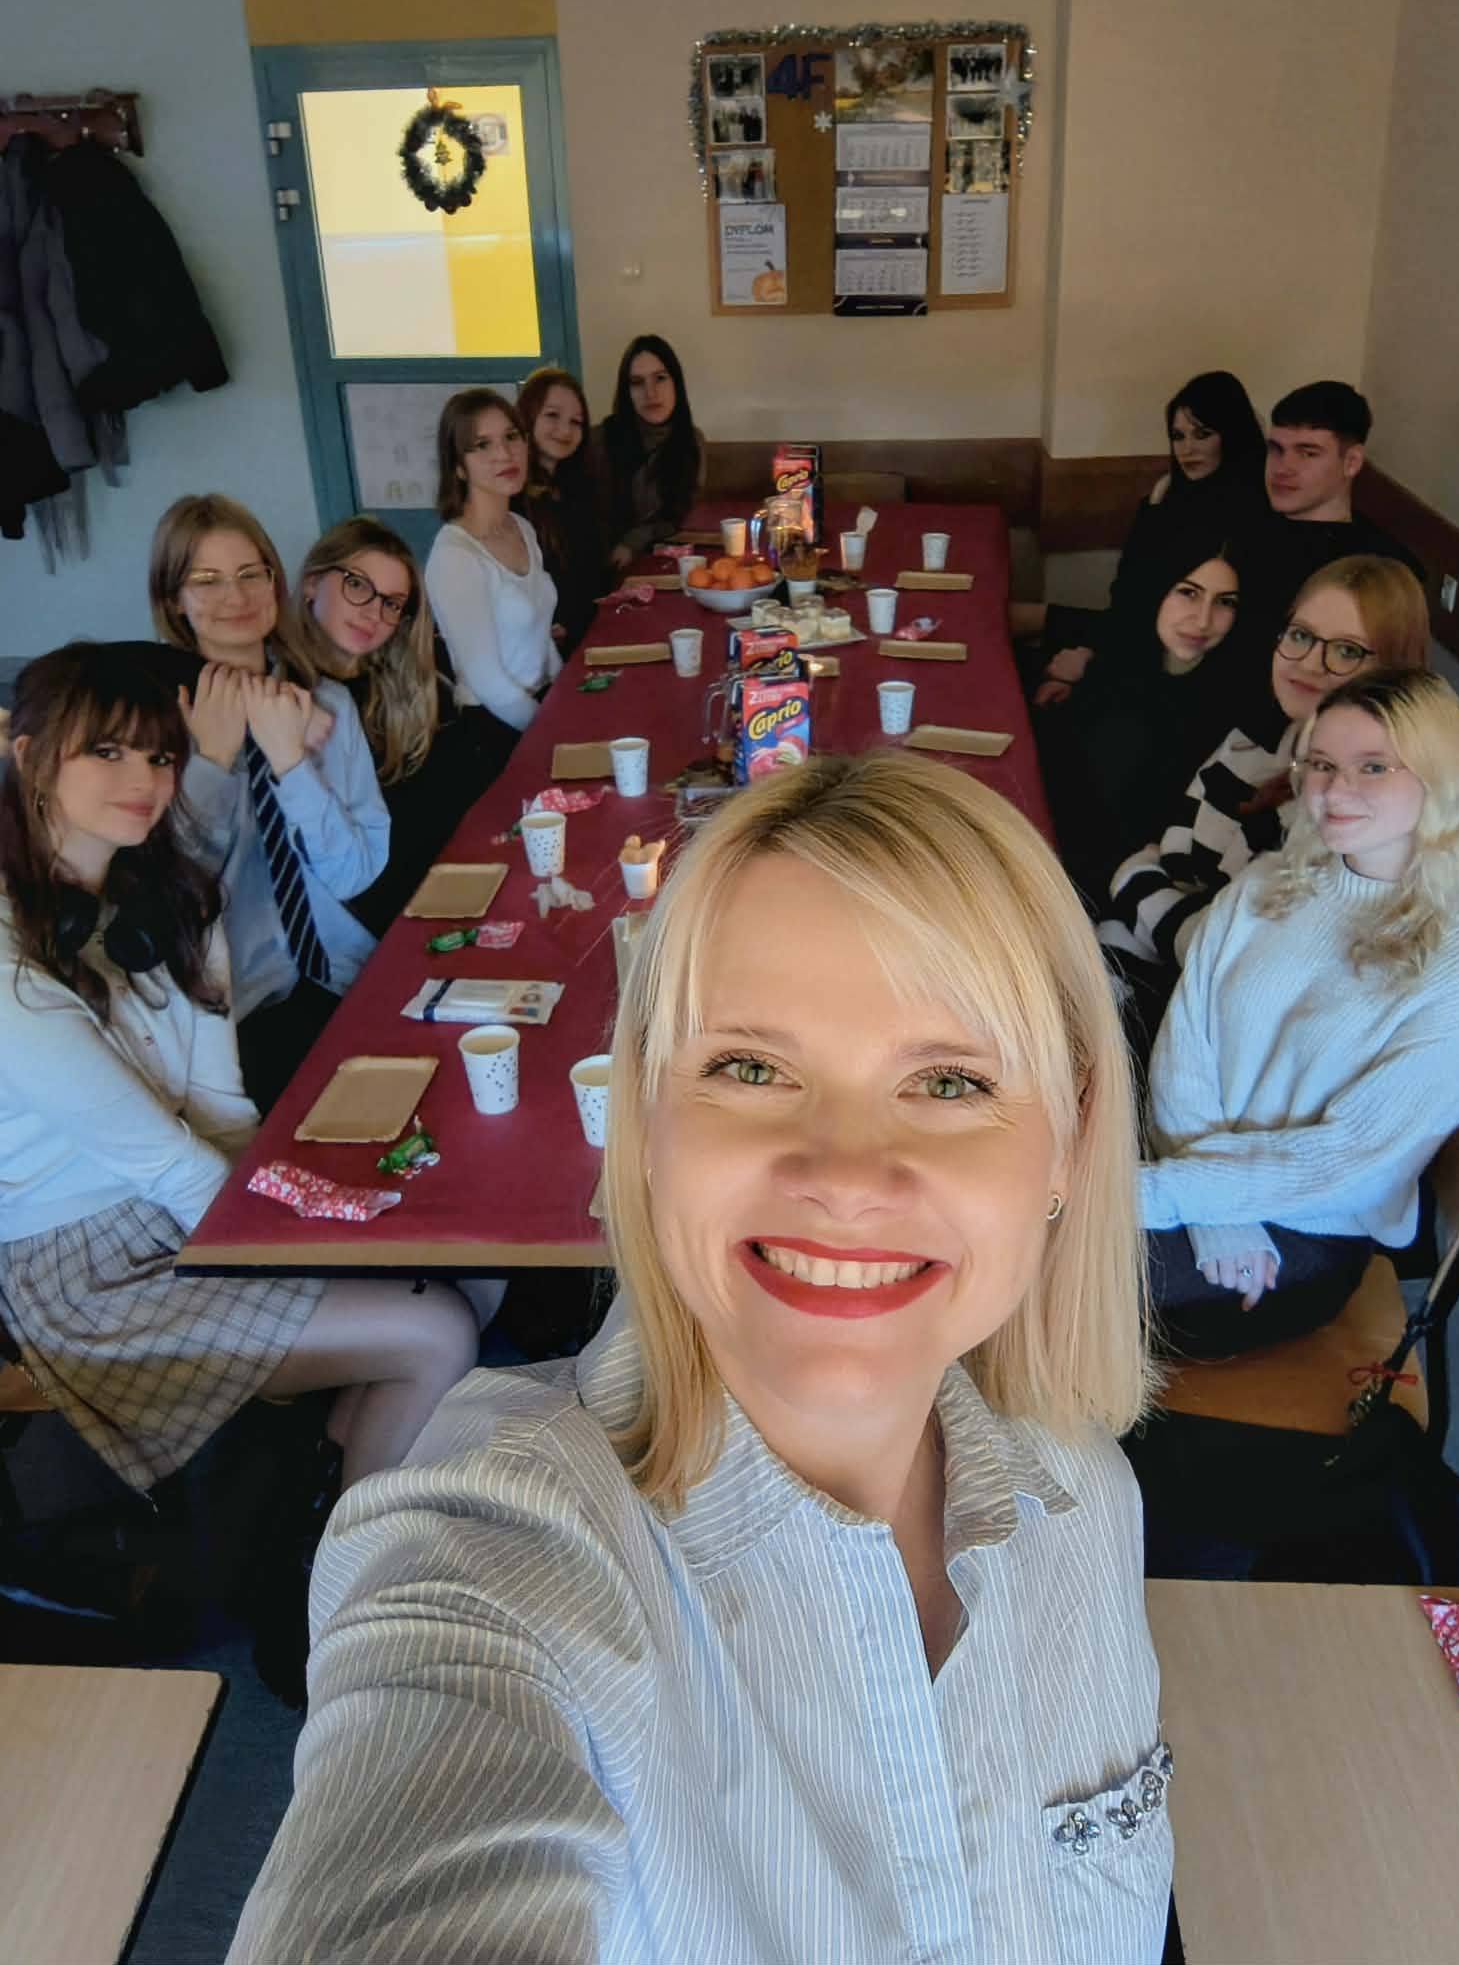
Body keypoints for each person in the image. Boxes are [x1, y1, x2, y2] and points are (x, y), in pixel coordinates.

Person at [229, 751, 1173, 1965]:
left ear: (1070, 1142)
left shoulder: (1087, 1495)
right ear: (645, 1115)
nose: (844, 1175)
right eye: (750, 1067)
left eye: (949, 1081)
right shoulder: (500, 1553)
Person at [0, 643, 479, 1494]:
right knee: (438, 1329)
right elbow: (167, 1162)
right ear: (29, 755)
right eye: (106, 750)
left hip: (196, 1204)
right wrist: (309, 1248)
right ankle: (353, 1562)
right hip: (89, 1272)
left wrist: (311, 1211)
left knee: (461, 1254)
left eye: (160, 755)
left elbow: (221, 1107)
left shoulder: (174, 902)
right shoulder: (10, 965)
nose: (144, 778)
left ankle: (337, 1469)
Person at [1140, 668, 1459, 1357]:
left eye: (1373, 767)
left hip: (1305, 1228)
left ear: (1439, 778)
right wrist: (1203, 1204)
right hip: (1180, 1170)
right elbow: (1184, 1041)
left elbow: (1346, 1164)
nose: (1335, 791)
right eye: (1320, 764)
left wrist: (1164, 1197)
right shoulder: (1267, 883)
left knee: (1039, 1267)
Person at [148, 494, 389, 1114]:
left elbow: (355, 872)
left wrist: (291, 766)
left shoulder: (327, 705)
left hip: (341, 974)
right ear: (173, 600)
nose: (235, 596)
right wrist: (211, 763)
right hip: (231, 1013)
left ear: (275, 582)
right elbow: (174, 894)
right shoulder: (153, 729)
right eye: (206, 580)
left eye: (250, 574)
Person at [1101, 554, 1431, 980]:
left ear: (1392, 670)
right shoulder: (1251, 744)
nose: (1309, 663)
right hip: (1151, 958)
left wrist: (1133, 878)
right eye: (1301, 635)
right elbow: (1177, 847)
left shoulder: (1360, 813)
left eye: (1346, 650)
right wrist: (1161, 895)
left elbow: (1219, 955)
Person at [286, 516, 479, 936]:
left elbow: (454, 799)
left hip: (442, 888)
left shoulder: (407, 683)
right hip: (360, 918)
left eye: (391, 603)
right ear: (312, 583)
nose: (373, 613)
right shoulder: (287, 696)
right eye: (357, 585)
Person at [1044, 526, 1247, 908]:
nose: (1203, 620)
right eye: (1188, 593)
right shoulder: (1124, 660)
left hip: (1116, 890)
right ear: (1158, 589)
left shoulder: (1228, 708)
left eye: (1225, 602)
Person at [1037, 370, 1265, 707]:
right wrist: (1155, 510)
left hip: (1178, 671)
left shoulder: (1249, 514)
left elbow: (1165, 623)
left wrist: (1090, 663)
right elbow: (1127, 595)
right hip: (1132, 643)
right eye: (1178, 436)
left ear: (1231, 436)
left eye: (1202, 434)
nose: (1187, 449)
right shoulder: (1170, 494)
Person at [423, 387, 562, 787]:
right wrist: (552, 731)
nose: (504, 454)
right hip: (495, 729)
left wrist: (566, 696)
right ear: (458, 467)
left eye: (511, 437)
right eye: (482, 445)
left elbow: (541, 637)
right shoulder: (454, 556)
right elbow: (487, 681)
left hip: (540, 708)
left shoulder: (522, 528)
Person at [1235, 381, 1420, 641]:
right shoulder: (1243, 529)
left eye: (1307, 453)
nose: (1283, 468)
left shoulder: (1383, 570)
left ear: (1351, 462)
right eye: (1276, 450)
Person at [515, 366, 608, 648]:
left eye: (576, 422)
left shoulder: (578, 486)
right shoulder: (511, 495)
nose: (565, 430)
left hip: (583, 629)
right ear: (528, 416)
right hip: (539, 642)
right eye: (552, 415)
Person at [598, 334, 707, 571]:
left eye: (660, 378)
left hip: (662, 565)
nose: (651, 393)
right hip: (605, 569)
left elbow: (678, 516)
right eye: (637, 382)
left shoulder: (691, 442)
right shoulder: (602, 440)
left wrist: (636, 539)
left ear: (676, 383)